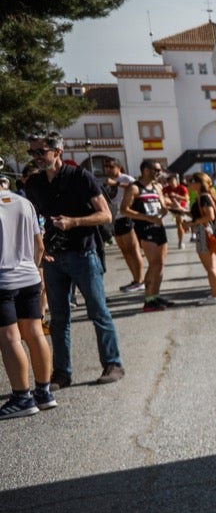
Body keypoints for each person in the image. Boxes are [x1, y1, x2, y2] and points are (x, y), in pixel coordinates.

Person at [23, 132, 123, 386]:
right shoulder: (34, 184)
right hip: (54, 258)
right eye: (32, 153)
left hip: (83, 253)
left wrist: (73, 222)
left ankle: (113, 364)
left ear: (57, 151)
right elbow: (33, 220)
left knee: (98, 312)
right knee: (58, 318)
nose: (36, 157)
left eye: (41, 152)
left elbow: (105, 216)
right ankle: (62, 373)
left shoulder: (81, 177)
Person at [0, 185, 56, 417]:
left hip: (3, 279)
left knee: (10, 337)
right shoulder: (23, 202)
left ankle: (22, 397)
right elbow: (39, 245)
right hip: (29, 276)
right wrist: (33, 269)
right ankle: (44, 392)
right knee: (35, 332)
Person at [121, 160, 175, 311]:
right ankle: (148, 300)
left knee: (161, 264)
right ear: (145, 170)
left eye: (160, 170)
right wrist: (147, 218)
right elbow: (124, 210)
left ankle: (155, 296)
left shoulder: (157, 186)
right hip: (145, 229)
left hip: (159, 228)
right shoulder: (134, 188)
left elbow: (162, 206)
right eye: (156, 170)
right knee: (154, 263)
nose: (159, 172)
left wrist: (166, 209)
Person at [102, 158, 145, 294]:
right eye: (106, 167)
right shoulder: (108, 182)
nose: (107, 169)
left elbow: (137, 188)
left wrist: (116, 183)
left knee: (133, 249)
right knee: (125, 251)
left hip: (127, 216)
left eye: (110, 166)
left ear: (118, 167)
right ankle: (135, 279)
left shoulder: (126, 178)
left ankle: (140, 280)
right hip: (115, 218)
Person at [187, 173, 216, 304]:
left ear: (199, 183)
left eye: (192, 180)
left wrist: (191, 223)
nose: (189, 183)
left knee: (210, 266)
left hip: (203, 232)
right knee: (214, 265)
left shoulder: (204, 197)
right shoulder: (206, 196)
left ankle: (215, 295)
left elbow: (209, 216)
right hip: (207, 232)